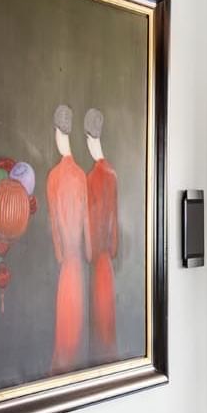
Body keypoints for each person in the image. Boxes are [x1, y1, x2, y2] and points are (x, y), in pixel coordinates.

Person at [46, 103, 88, 373]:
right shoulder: (81, 176)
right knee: (77, 324)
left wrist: (62, 254)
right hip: (79, 266)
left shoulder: (53, 177)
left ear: (56, 132)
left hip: (66, 266)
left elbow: (55, 231)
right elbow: (87, 228)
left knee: (65, 326)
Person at [84, 107, 119, 360]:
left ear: (89, 138)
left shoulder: (92, 178)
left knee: (99, 321)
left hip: (98, 262)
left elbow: (92, 226)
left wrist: (92, 253)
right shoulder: (113, 175)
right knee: (108, 323)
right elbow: (114, 225)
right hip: (108, 263)